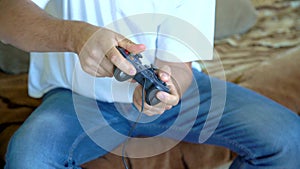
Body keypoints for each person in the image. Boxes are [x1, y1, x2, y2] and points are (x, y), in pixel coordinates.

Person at [1, 0, 300, 169]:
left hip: (173, 96)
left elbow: (179, 63)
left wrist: (169, 88)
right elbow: (7, 16)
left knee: (287, 138)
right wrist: (75, 37)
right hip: (75, 96)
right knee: (29, 159)